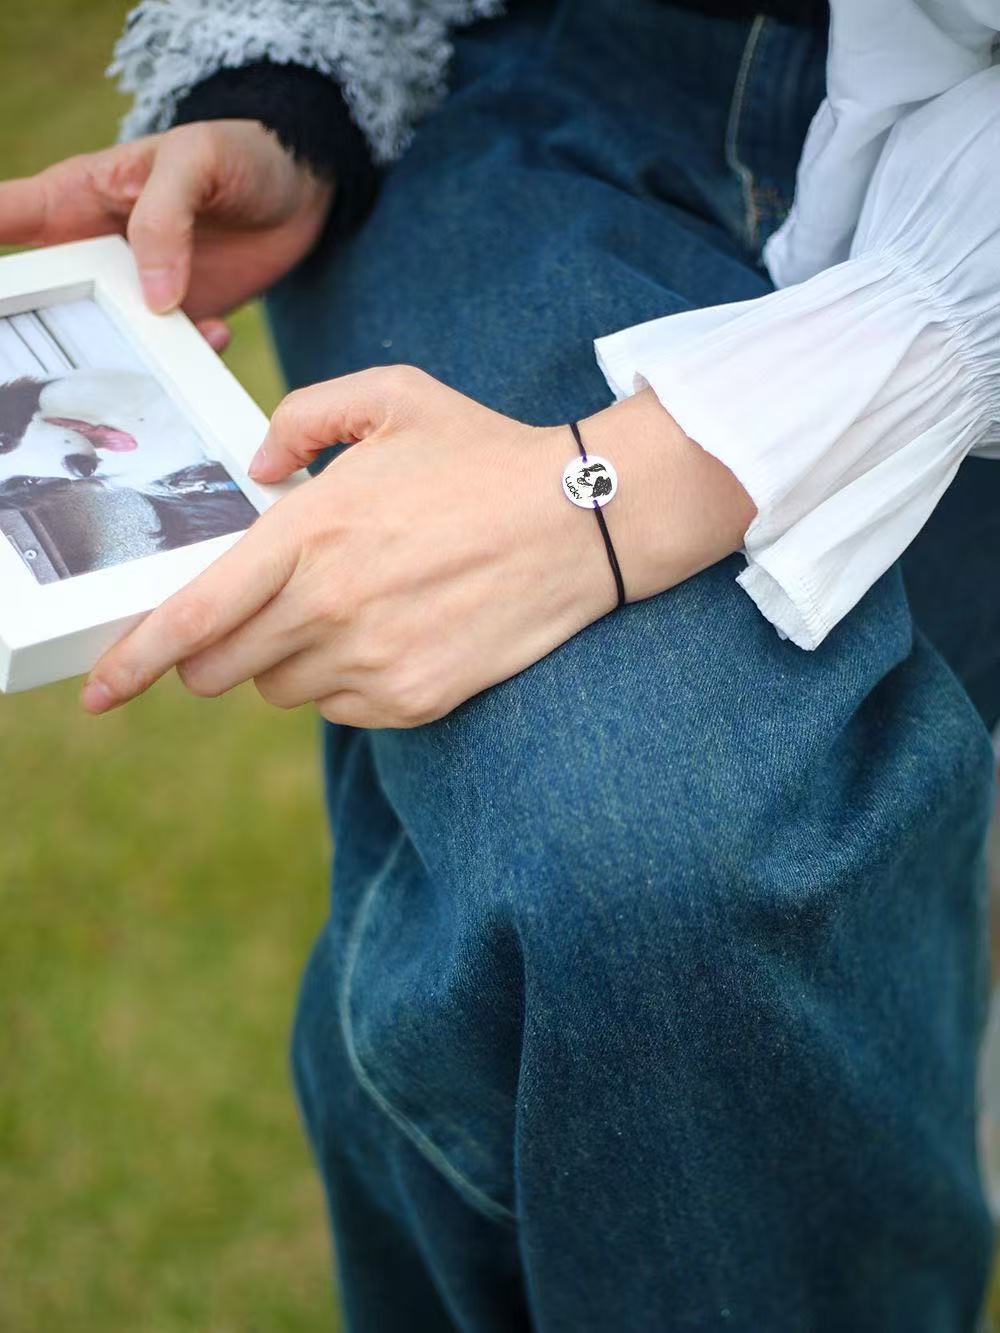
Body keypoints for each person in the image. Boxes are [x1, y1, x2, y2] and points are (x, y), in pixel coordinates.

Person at [3, 0, 999, 1327]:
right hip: (532, 82)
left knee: (786, 900)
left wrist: (614, 488)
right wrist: (281, 87)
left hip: (959, 199)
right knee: (641, 853)